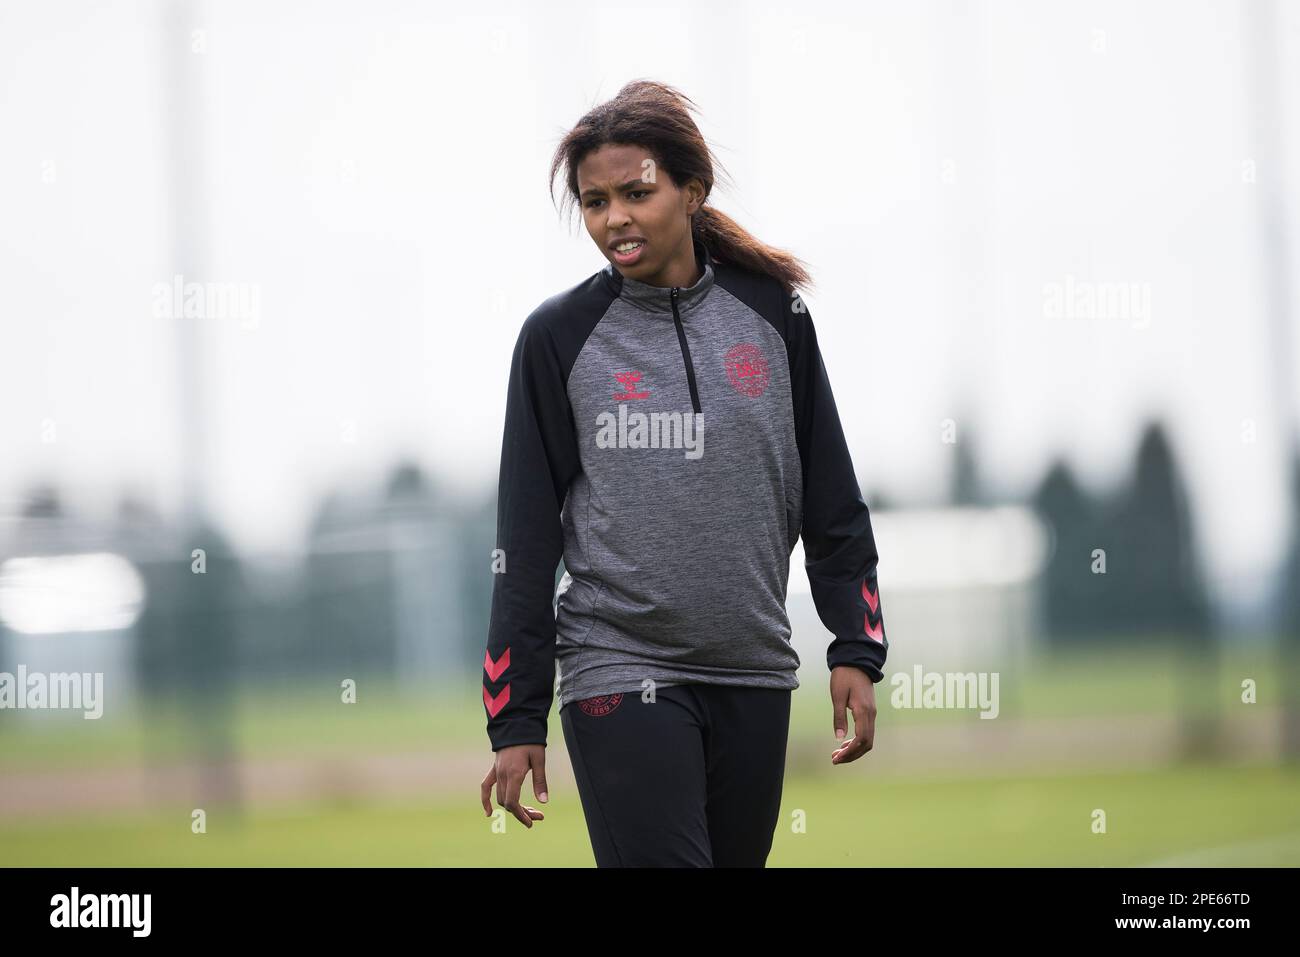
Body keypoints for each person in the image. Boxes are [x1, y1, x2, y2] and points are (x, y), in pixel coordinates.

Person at [478, 79, 888, 867]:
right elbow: (523, 542)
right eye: (595, 202)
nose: (614, 218)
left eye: (636, 192)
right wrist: (516, 716)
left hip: (754, 672)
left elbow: (832, 502)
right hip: (618, 666)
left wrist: (854, 647)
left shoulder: (775, 315)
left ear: (691, 190)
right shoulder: (557, 339)